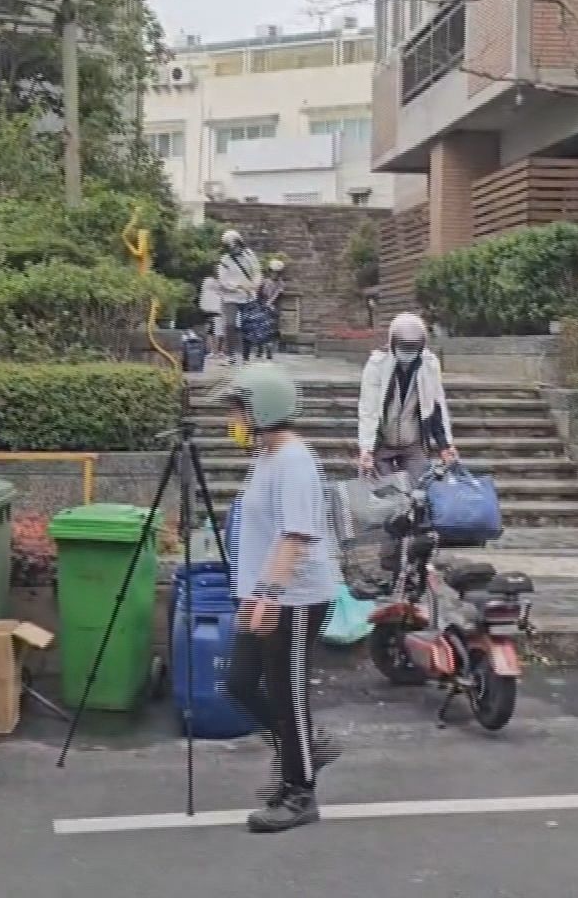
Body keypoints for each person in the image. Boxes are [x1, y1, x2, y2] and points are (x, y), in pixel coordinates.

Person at [216, 362, 342, 833]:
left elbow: (295, 535)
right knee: (241, 684)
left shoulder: (293, 461)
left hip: (294, 598)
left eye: (238, 409)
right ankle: (308, 746)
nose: (233, 419)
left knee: (287, 695)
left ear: (262, 409)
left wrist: (269, 594)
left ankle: (300, 793)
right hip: (265, 594)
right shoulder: (267, 456)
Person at [356, 313, 456, 482]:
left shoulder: (429, 364)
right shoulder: (376, 364)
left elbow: (436, 405)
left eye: (412, 349)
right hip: (382, 443)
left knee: (419, 493)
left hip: (413, 442)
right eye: (403, 348)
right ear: (393, 343)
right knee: (385, 499)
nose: (407, 354)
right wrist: (366, 448)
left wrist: (445, 445)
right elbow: (369, 408)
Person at [214, 230, 263, 365]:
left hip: (248, 296)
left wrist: (256, 284)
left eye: (234, 244)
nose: (232, 248)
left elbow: (257, 271)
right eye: (229, 245)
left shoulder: (250, 255)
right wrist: (239, 286)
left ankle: (246, 356)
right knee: (230, 325)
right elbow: (223, 280)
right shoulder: (224, 260)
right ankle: (231, 355)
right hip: (230, 297)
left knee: (248, 325)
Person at [254, 258, 287, 361]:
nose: (274, 274)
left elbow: (277, 295)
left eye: (277, 272)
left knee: (271, 329)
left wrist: (270, 303)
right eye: (273, 272)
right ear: (269, 271)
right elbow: (258, 294)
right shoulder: (264, 282)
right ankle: (260, 348)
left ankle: (269, 350)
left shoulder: (281, 284)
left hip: (274, 309)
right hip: (262, 307)